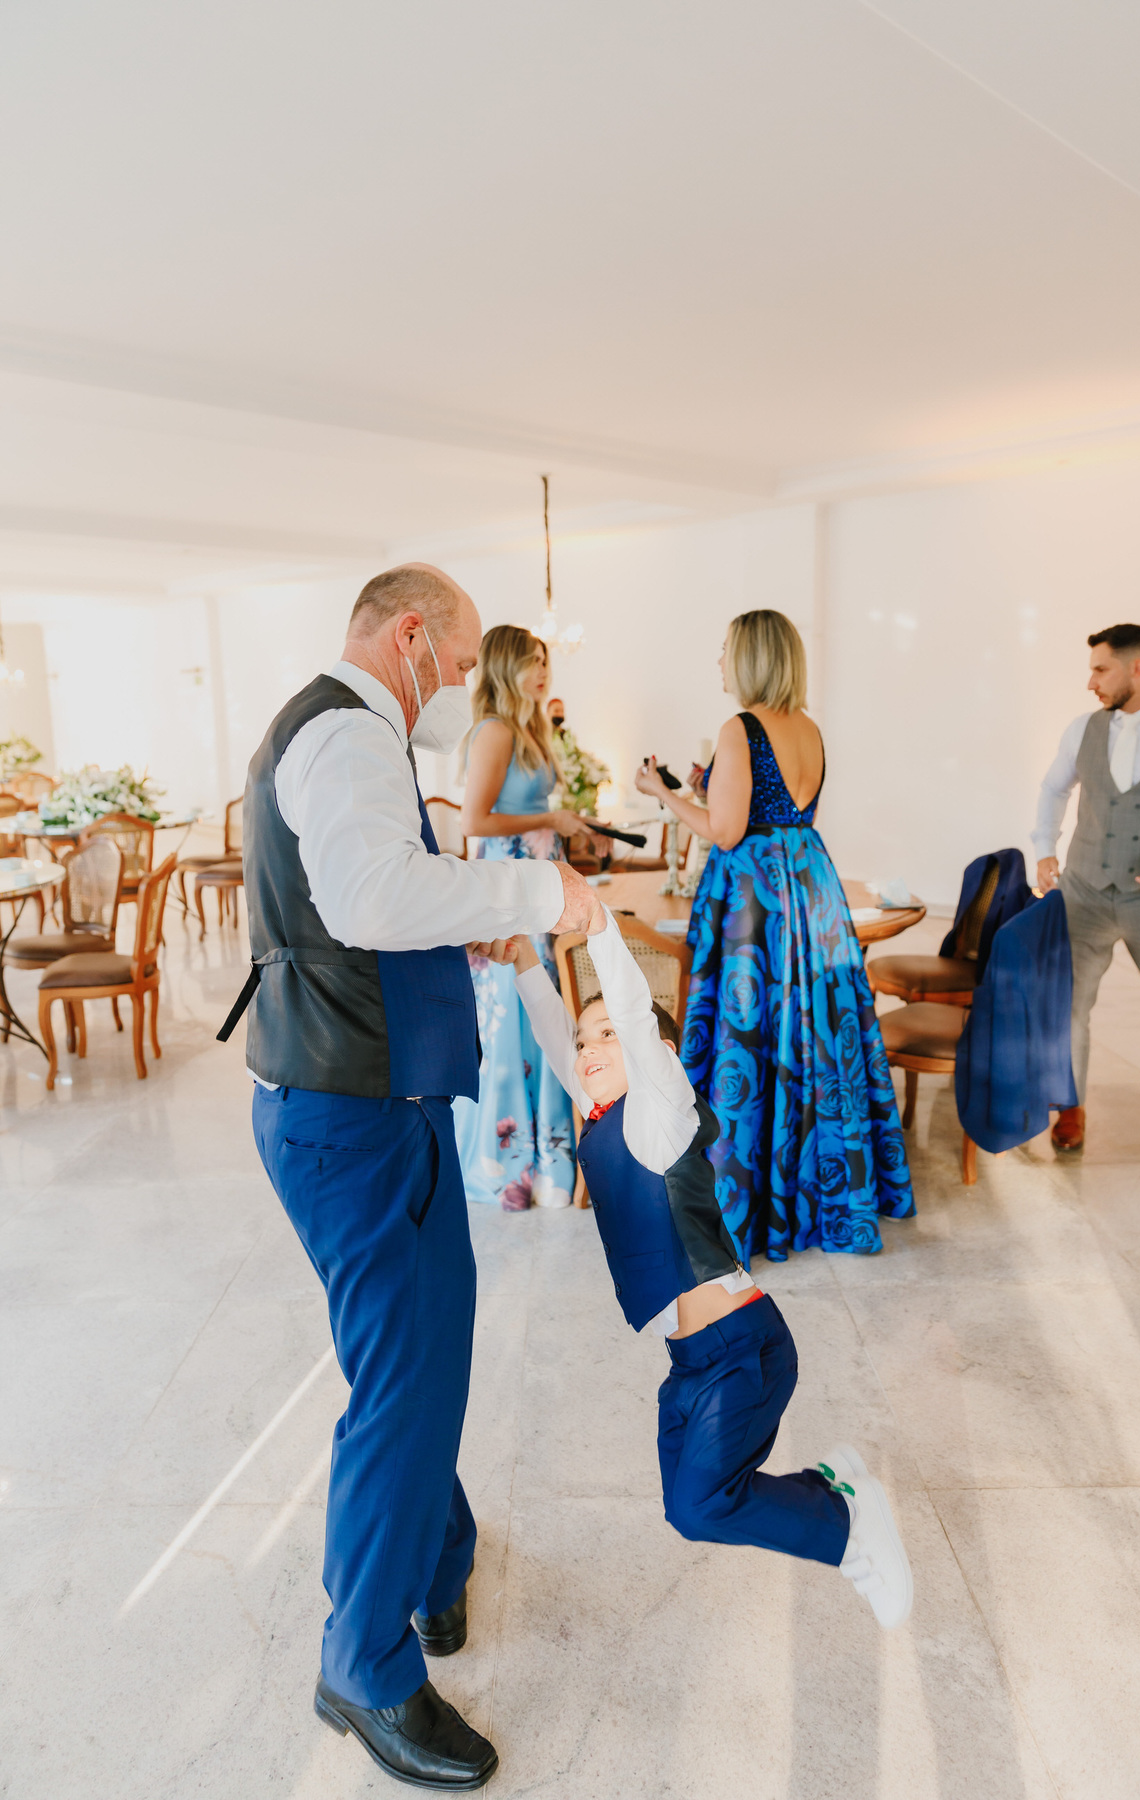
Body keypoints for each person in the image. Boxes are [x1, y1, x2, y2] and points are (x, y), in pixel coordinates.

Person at [228, 564, 594, 1792]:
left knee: (422, 1354)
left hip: (369, 1105)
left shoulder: (341, 729)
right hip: (355, 1120)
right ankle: (365, 1666)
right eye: (461, 654)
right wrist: (537, 889)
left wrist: (469, 915)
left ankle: (436, 1567)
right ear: (413, 636)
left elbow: (374, 901)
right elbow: (370, 894)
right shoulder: (344, 731)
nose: (464, 683)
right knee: (406, 1381)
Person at [506, 900, 913, 1627]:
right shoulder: (605, 1119)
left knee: (702, 1506)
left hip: (743, 1350)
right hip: (692, 1362)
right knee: (685, 1504)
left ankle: (850, 1532)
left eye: (606, 1036)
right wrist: (526, 967)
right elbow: (554, 1040)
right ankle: (831, 1490)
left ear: (657, 1059)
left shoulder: (659, 1113)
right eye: (584, 1039)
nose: (589, 1048)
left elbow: (635, 1013)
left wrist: (599, 929)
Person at [635, 609, 914, 1263]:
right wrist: (710, 788)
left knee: (750, 1038)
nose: (720, 662)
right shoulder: (809, 728)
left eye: (726, 649)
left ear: (752, 658)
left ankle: (750, 1202)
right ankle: (825, 1191)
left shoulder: (740, 727)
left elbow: (728, 832)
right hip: (811, 886)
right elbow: (779, 807)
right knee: (814, 1036)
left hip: (758, 900)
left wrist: (661, 793)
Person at [1034, 623, 1140, 1151]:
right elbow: (1053, 788)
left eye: (1100, 669)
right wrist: (1044, 848)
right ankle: (1070, 1108)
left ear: (1138, 667)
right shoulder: (1083, 728)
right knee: (1069, 1007)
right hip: (1083, 892)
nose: (1091, 683)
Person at [456, 626, 599, 1208]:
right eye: (531, 662)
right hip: (509, 890)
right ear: (504, 668)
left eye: (545, 661)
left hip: (539, 886)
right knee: (515, 1021)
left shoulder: (528, 729)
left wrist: (563, 827)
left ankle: (551, 1161)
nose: (543, 672)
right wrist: (550, 822)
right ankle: (509, 1162)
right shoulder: (492, 731)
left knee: (546, 1016)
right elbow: (473, 823)